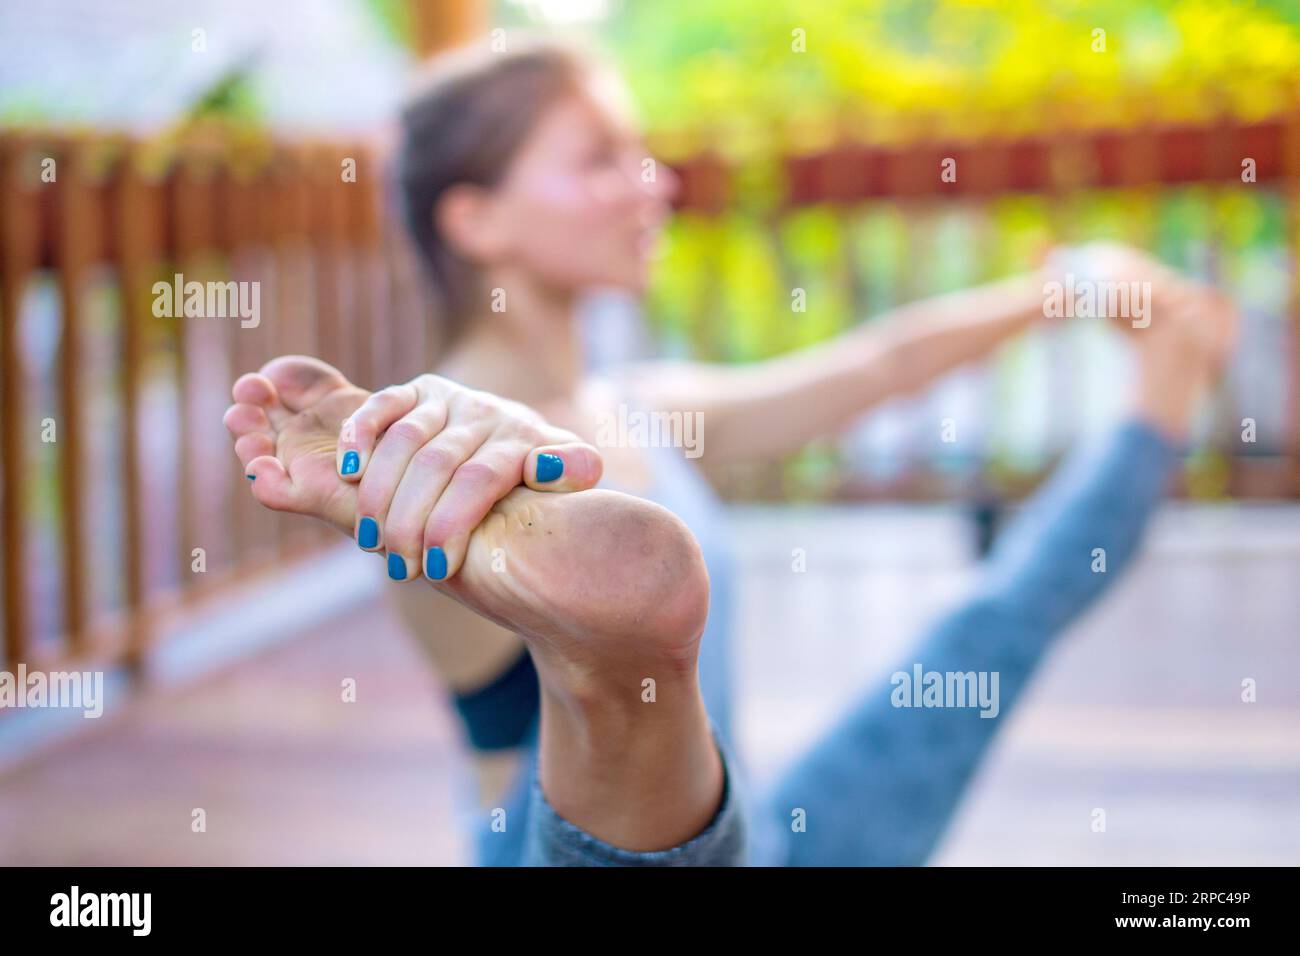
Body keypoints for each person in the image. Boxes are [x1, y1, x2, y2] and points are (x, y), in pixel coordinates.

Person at [223, 40, 1237, 865]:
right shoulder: (432, 459)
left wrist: (1067, 288)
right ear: (475, 216)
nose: (650, 184)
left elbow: (880, 361)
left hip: (754, 838)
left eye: (642, 155)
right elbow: (417, 472)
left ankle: (1170, 385)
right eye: (600, 159)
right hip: (585, 855)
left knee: (990, 623)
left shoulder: (636, 405)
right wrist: (391, 440)